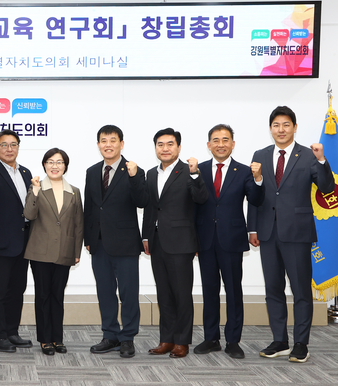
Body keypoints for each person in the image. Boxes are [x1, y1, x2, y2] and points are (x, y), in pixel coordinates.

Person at [248, 106, 335, 363]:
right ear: (270, 128)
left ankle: (300, 343)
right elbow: (254, 195)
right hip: (268, 232)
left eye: (286, 124)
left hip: (297, 232)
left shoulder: (308, 155)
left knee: (300, 291)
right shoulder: (260, 155)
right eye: (276, 125)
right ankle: (280, 340)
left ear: (295, 127)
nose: (281, 129)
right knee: (273, 289)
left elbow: (327, 188)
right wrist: (253, 228)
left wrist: (322, 160)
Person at [193, 124, 264, 359]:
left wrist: (258, 179)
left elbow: (255, 199)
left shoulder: (244, 171)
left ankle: (233, 341)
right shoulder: (199, 170)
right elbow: (193, 204)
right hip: (205, 239)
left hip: (231, 239)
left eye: (225, 140)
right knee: (209, 290)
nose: (220, 144)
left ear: (233, 144)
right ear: (208, 145)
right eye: (216, 140)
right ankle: (211, 338)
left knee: (233, 291)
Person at [142, 128, 208, 359]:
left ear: (178, 147)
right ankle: (166, 339)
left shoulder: (188, 171)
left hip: (181, 242)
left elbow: (201, 198)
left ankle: (182, 341)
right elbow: (150, 208)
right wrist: (146, 236)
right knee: (164, 294)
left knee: (181, 294)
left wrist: (195, 174)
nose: (165, 148)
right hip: (157, 241)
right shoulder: (151, 174)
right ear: (155, 148)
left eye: (170, 144)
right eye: (160, 144)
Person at [84, 125, 148, 358]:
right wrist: (88, 238)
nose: (108, 144)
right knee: (105, 292)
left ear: (122, 144)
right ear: (98, 144)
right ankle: (109, 335)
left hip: (125, 243)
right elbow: (90, 207)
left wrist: (133, 177)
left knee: (128, 293)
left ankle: (127, 337)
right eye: (104, 140)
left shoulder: (133, 170)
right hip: (99, 243)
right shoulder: (92, 171)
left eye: (113, 140)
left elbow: (142, 201)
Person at [24, 148, 84, 356]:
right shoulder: (36, 188)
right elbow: (29, 214)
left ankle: (57, 338)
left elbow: (78, 224)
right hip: (40, 251)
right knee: (43, 295)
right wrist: (35, 191)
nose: (54, 166)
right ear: (44, 165)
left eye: (59, 162)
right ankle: (45, 339)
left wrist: (76, 250)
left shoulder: (74, 191)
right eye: (50, 162)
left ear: (65, 166)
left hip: (65, 250)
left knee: (58, 296)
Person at [0, 130, 33, 353]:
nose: (9, 149)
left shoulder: (26, 172)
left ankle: (12, 332)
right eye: (4, 145)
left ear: (18, 147)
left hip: (24, 242)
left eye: (13, 144)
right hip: (1, 242)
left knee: (17, 290)